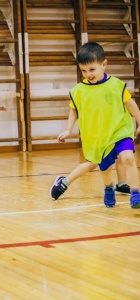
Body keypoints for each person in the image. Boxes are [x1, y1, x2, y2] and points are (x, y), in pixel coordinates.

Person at [50, 42, 140, 208]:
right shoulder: (79, 90)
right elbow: (74, 110)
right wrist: (68, 130)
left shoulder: (116, 85)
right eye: (83, 70)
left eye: (91, 69)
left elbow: (131, 105)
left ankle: (135, 194)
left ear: (104, 64)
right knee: (102, 168)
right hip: (98, 138)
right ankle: (108, 188)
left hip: (120, 131)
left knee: (127, 158)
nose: (87, 74)